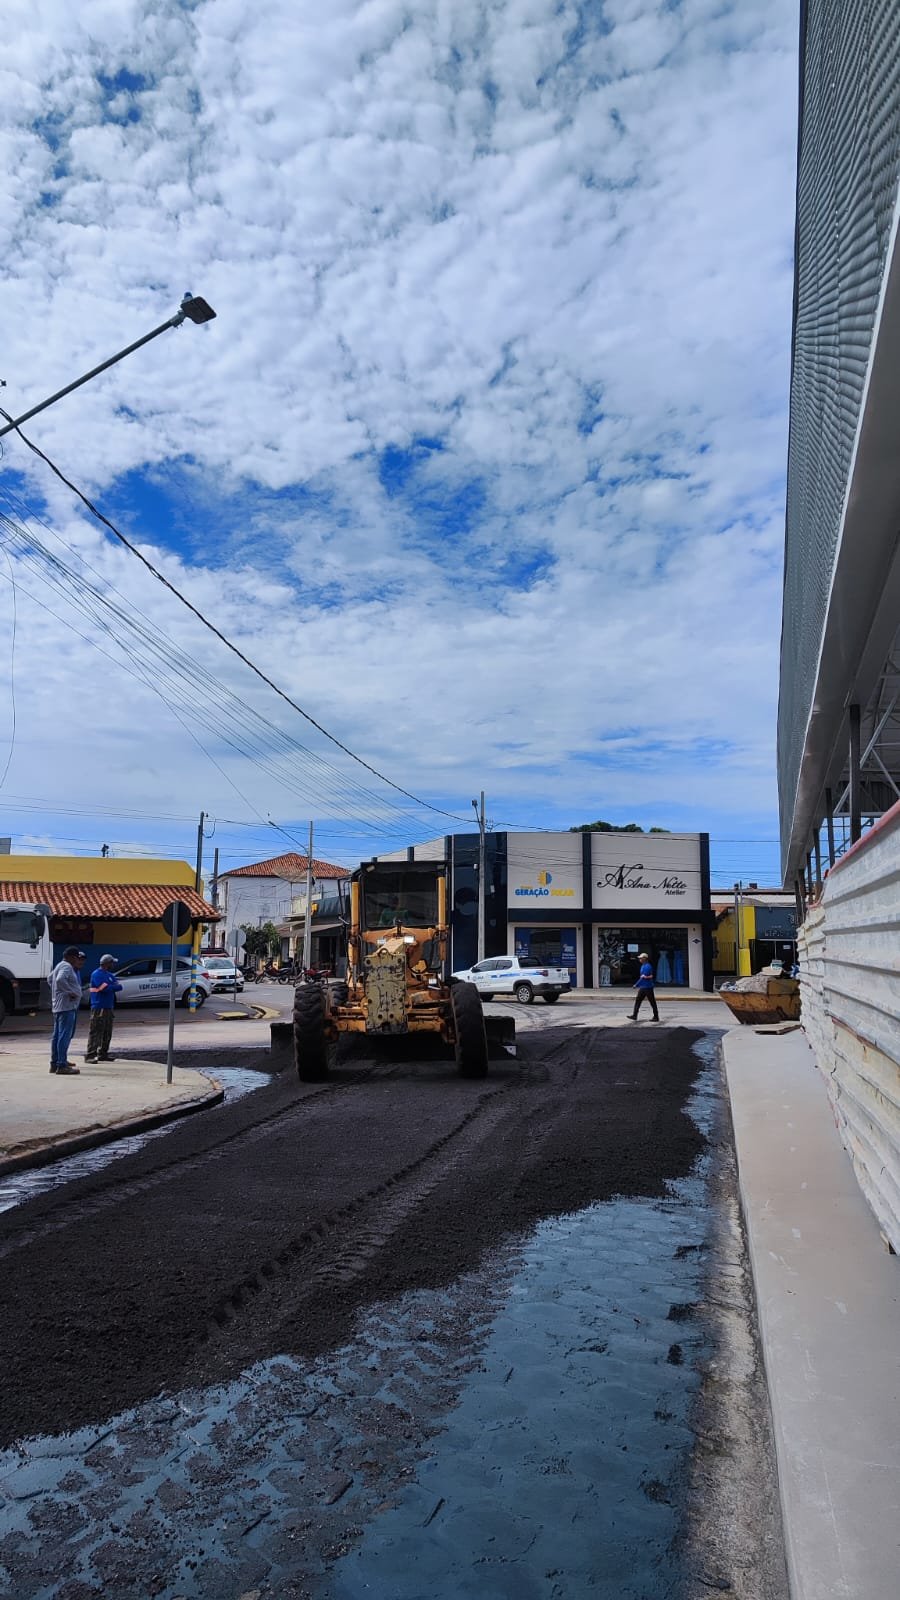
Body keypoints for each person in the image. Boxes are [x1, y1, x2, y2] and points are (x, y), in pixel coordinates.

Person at [49, 947, 86, 1074]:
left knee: (57, 1036)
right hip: (67, 1007)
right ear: (71, 957)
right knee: (64, 1035)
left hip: (59, 1006)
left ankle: (55, 1063)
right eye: (76, 957)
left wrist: (57, 992)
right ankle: (61, 1065)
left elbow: (50, 979)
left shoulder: (59, 965)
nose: (77, 960)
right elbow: (59, 980)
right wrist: (69, 992)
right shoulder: (67, 966)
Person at [84, 954, 122, 1062]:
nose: (113, 964)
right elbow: (103, 988)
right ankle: (90, 1055)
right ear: (107, 963)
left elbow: (119, 986)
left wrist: (110, 986)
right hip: (99, 1006)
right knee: (96, 1031)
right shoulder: (97, 974)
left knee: (107, 1031)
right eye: (112, 962)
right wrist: (111, 986)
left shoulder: (109, 975)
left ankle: (103, 1054)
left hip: (109, 1006)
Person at [630, 951, 660, 1022]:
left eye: (641, 958)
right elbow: (642, 977)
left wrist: (636, 984)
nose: (639, 959)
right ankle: (634, 1015)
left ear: (644, 959)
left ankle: (656, 1016)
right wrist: (638, 984)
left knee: (652, 1002)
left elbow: (643, 977)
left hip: (648, 987)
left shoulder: (648, 966)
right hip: (643, 987)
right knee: (638, 1001)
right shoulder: (642, 966)